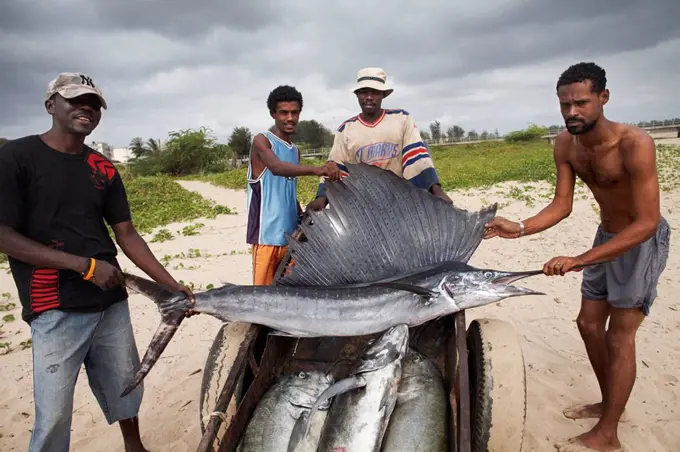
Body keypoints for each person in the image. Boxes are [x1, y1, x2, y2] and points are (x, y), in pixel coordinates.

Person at [0, 72, 195, 452]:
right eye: (74, 100)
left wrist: (170, 285)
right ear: (51, 105)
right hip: (54, 306)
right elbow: (3, 235)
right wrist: (83, 266)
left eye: (93, 103)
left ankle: (134, 447)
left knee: (125, 385)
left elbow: (127, 234)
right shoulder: (17, 157)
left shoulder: (102, 167)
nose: (85, 108)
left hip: (111, 301)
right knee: (54, 410)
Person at [484, 62, 670, 452]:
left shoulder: (635, 143)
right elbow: (562, 205)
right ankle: (609, 404)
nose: (572, 112)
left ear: (604, 98)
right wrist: (518, 227)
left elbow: (648, 222)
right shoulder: (566, 145)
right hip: (605, 238)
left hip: (638, 243)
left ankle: (608, 434)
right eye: (565, 104)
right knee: (588, 325)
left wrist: (581, 258)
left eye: (581, 103)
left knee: (620, 337)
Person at [306, 67, 453, 211]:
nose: (369, 97)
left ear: (382, 94)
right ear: (357, 94)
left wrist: (437, 191)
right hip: (364, 207)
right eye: (364, 92)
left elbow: (418, 160)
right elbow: (335, 170)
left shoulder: (401, 119)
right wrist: (321, 199)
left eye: (375, 92)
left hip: (400, 201)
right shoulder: (346, 130)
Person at [247, 85, 341, 285]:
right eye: (284, 112)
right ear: (273, 114)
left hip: (291, 235)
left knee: (287, 292)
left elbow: (289, 191)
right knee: (262, 297)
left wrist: (302, 216)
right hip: (266, 235)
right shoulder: (263, 141)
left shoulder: (294, 151)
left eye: (294, 112)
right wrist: (317, 170)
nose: (290, 118)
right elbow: (277, 167)